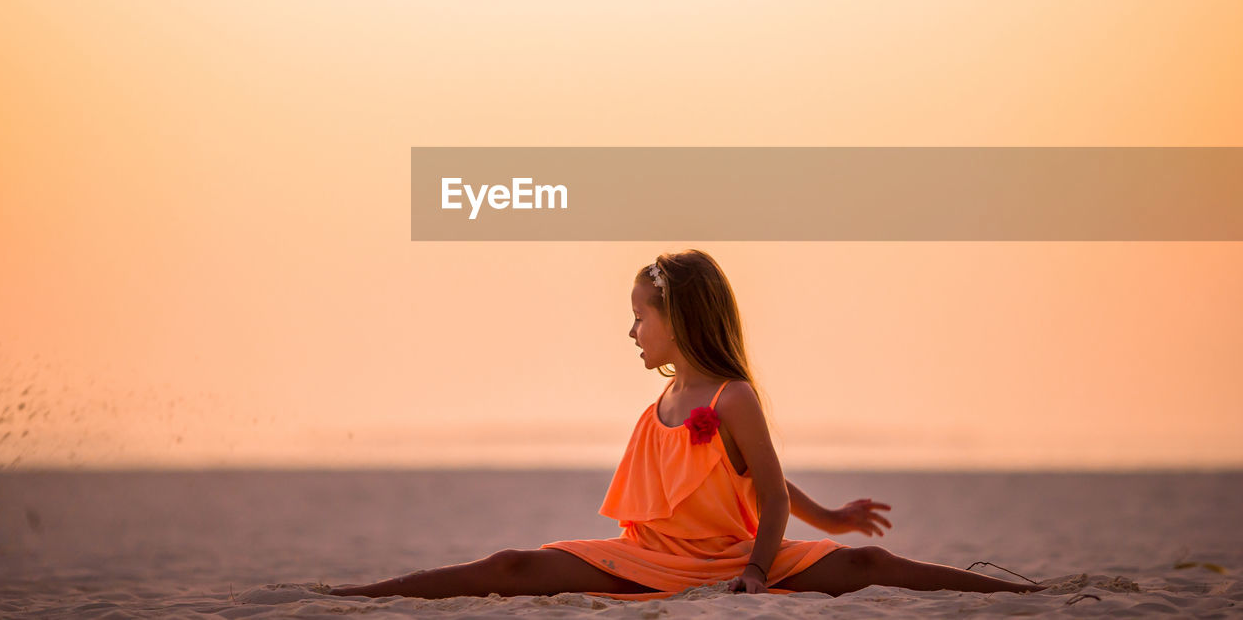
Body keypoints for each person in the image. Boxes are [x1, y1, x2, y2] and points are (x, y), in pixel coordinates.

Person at [330, 250, 1046, 600]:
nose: (632, 329)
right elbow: (731, 473)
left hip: (736, 559)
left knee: (871, 567)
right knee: (511, 565)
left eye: (642, 315)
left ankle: (1029, 596)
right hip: (652, 558)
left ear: (681, 320)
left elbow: (766, 491)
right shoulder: (662, 403)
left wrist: (771, 563)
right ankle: (363, 595)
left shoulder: (734, 396)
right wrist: (826, 510)